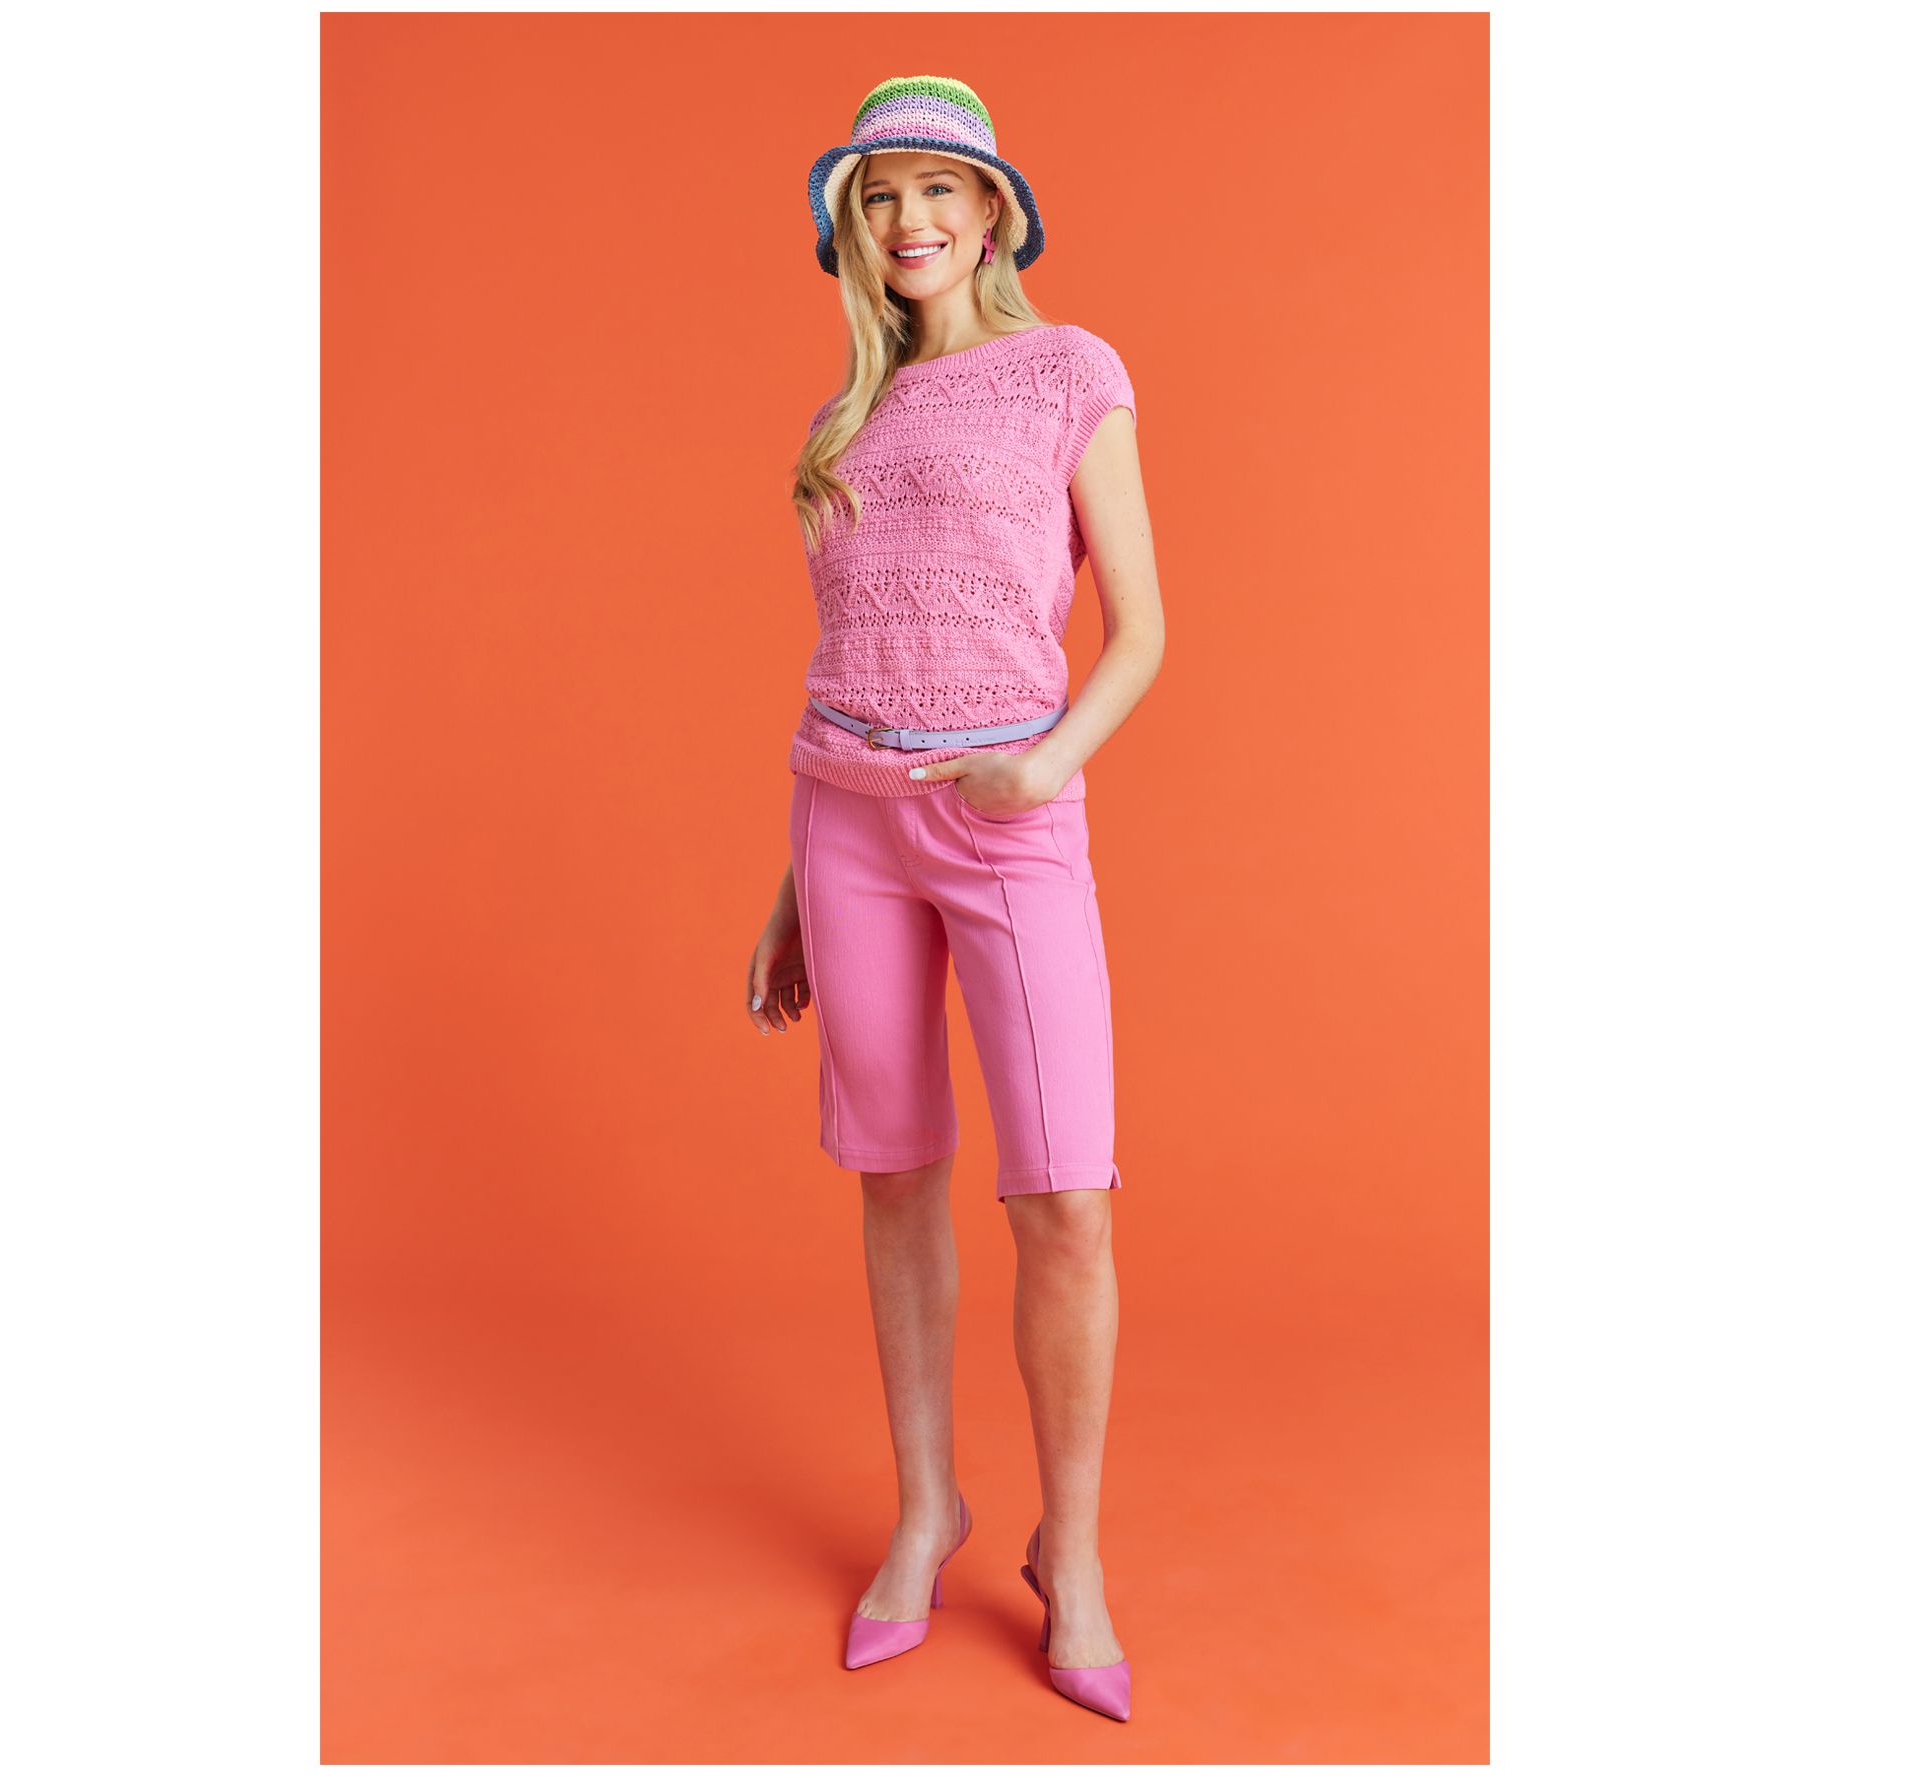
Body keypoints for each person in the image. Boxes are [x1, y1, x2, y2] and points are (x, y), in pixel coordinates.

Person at [744, 74, 1162, 1723]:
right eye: (879, 196)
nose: (908, 220)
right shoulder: (844, 418)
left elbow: (1141, 629)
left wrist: (1043, 762)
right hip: (844, 823)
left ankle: (1079, 1547)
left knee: (1065, 1192)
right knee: (896, 1170)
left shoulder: (1071, 372)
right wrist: (794, 879)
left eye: (936, 188)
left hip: (1007, 819)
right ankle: (928, 1510)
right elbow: (851, 652)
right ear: (854, 228)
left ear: (993, 211)